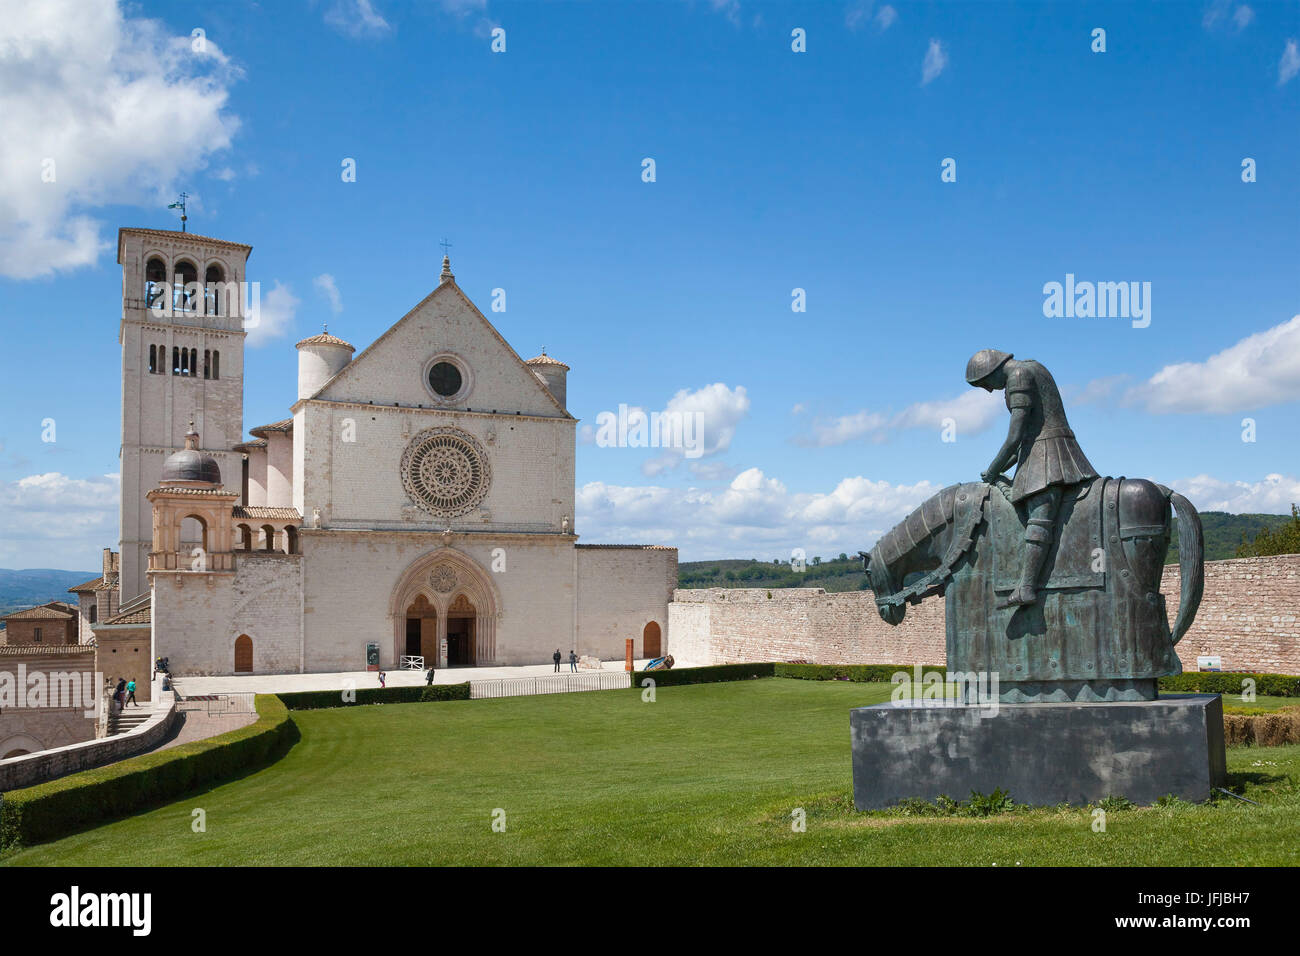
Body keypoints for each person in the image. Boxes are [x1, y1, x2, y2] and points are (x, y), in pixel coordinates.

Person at [967, 349, 1098, 608]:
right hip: (1040, 449)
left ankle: (1026, 586)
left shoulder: (1018, 375)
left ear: (990, 371)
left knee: (1039, 517)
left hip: (1050, 453)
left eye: (984, 384)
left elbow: (1015, 436)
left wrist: (993, 470)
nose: (989, 391)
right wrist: (997, 467)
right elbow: (1024, 443)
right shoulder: (1031, 367)